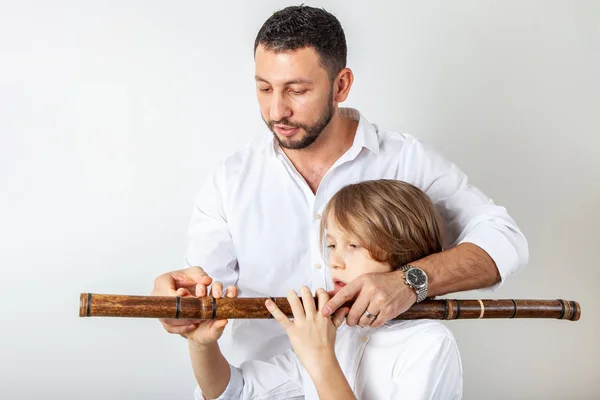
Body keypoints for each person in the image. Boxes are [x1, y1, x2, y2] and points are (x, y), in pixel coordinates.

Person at [151, 2, 527, 379]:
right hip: (261, 389)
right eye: (264, 88)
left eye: (296, 90)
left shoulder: (407, 162)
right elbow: (203, 290)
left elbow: (505, 240)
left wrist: (410, 282)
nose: (276, 110)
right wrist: (181, 301)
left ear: (341, 85)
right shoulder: (230, 180)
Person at [185, 180, 463, 399]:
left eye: (353, 246)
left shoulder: (429, 344)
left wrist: (319, 356)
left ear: (405, 249)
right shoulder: (338, 333)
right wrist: (202, 344)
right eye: (332, 246)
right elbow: (237, 392)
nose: (335, 261)